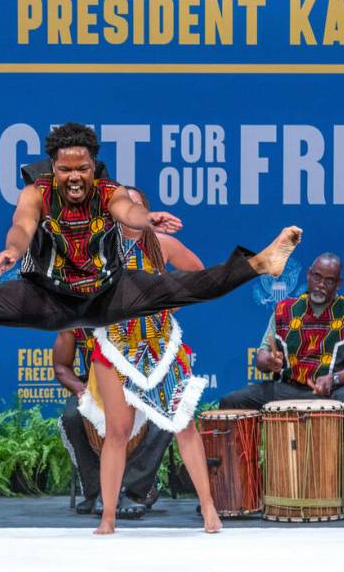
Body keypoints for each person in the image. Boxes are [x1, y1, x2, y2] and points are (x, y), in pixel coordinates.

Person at [0, 122, 301, 333]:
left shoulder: (108, 190)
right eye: (65, 169)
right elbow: (21, 227)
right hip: (46, 297)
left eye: (82, 168)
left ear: (93, 166)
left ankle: (260, 263)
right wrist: (13, 251)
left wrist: (148, 218)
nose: (74, 177)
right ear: (54, 169)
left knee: (189, 286)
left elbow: (127, 212)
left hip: (109, 294)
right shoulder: (36, 193)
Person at [78, 187, 216, 534]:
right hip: (114, 348)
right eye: (126, 206)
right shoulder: (98, 249)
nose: (132, 210)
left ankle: (210, 508)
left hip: (161, 345)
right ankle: (108, 516)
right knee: (118, 432)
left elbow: (199, 275)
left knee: (183, 424)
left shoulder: (161, 244)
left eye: (138, 205)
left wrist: (166, 307)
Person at [218, 252, 344, 517]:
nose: (321, 284)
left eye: (329, 280)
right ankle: (231, 491)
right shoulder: (284, 310)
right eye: (317, 277)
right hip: (287, 385)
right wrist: (270, 360)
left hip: (331, 389)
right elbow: (261, 356)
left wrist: (334, 378)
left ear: (339, 284)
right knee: (231, 403)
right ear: (308, 275)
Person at [54, 321, 171, 519]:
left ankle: (135, 489)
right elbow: (60, 367)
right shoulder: (76, 320)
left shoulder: (138, 314)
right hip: (94, 385)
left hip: (142, 382)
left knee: (166, 417)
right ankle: (96, 491)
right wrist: (80, 389)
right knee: (72, 416)